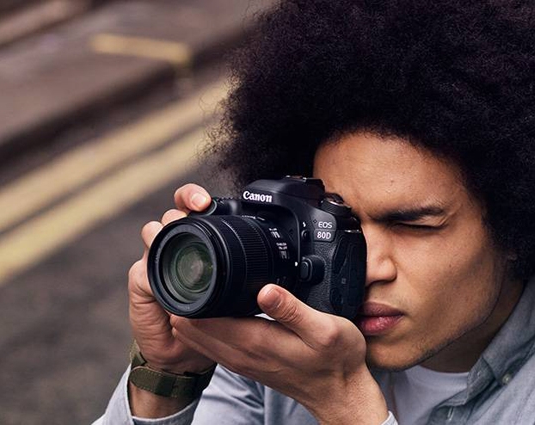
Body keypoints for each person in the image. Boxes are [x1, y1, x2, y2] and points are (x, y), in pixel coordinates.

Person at [96, 0, 535, 423]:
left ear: (513, 226)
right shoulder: (274, 331)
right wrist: (169, 376)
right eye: (339, 223)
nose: (366, 268)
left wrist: (345, 406)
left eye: (411, 225)